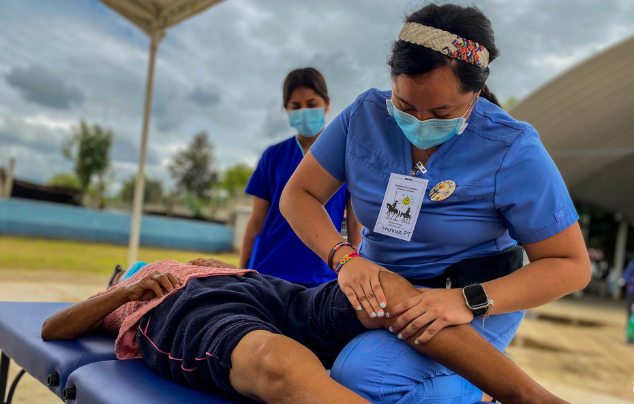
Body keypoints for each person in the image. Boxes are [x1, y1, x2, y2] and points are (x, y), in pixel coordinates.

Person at [280, 4, 591, 402]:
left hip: (473, 295)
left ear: (475, 92)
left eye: (442, 112)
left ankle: (489, 389)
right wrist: (344, 257)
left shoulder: (512, 148)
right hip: (383, 291)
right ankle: (486, 390)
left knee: (364, 376)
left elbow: (571, 265)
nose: (421, 125)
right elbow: (299, 195)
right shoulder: (364, 116)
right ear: (392, 80)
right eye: (406, 107)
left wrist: (469, 301)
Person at [42, 258, 568, 404]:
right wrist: (122, 291)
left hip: (265, 288)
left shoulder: (185, 259)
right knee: (278, 360)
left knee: (381, 287)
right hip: (187, 313)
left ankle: (532, 398)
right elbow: (52, 327)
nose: (128, 270)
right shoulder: (123, 295)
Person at [240, 68, 362, 287]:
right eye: (296, 106)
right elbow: (257, 220)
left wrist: (356, 271)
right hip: (269, 271)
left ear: (327, 104)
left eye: (312, 104)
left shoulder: (346, 156)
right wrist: (241, 273)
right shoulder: (273, 156)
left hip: (322, 275)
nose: (304, 111)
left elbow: (355, 223)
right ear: (286, 109)